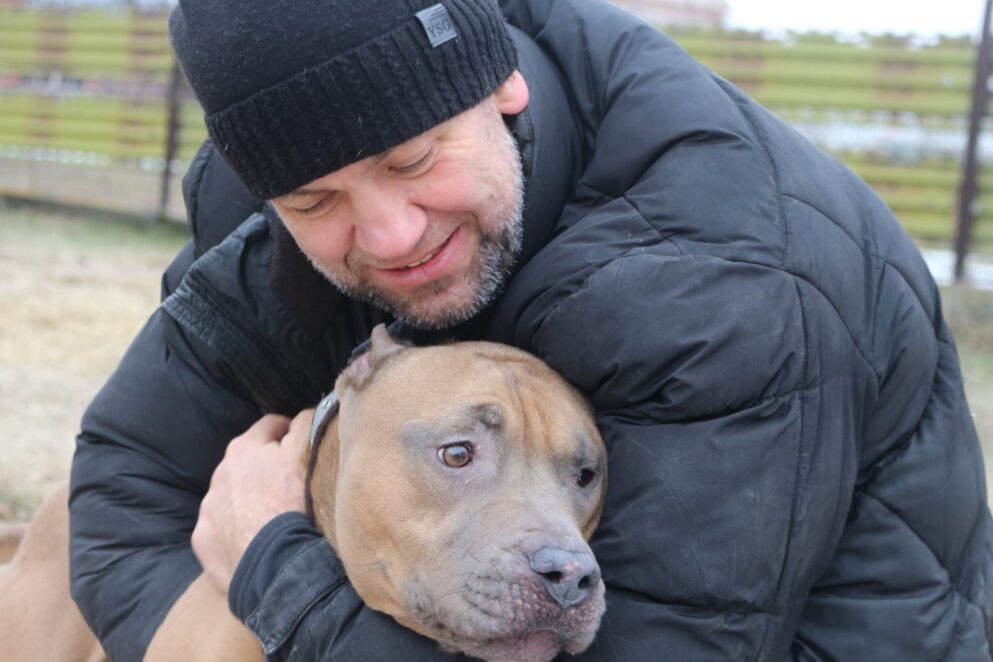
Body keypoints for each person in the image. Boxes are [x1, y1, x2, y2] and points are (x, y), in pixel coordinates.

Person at [69, 0, 993, 659]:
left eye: (414, 158)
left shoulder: (727, 283)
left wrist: (277, 580)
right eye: (314, 200)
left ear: (501, 86)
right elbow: (126, 477)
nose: (390, 236)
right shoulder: (279, 192)